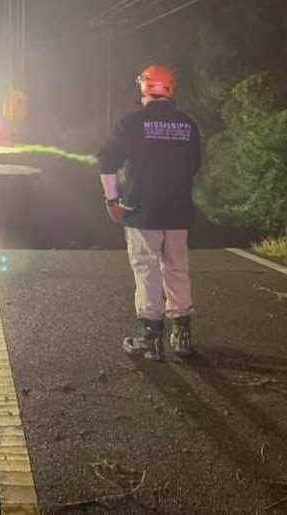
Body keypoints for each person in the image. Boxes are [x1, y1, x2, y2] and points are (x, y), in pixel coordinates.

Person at [97, 65, 202, 361]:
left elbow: (107, 163)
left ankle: (151, 339)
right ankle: (182, 335)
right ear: (171, 89)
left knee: (147, 269)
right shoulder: (188, 124)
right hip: (179, 211)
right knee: (177, 268)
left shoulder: (132, 123)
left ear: (143, 88)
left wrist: (112, 200)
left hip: (142, 211)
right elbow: (195, 164)